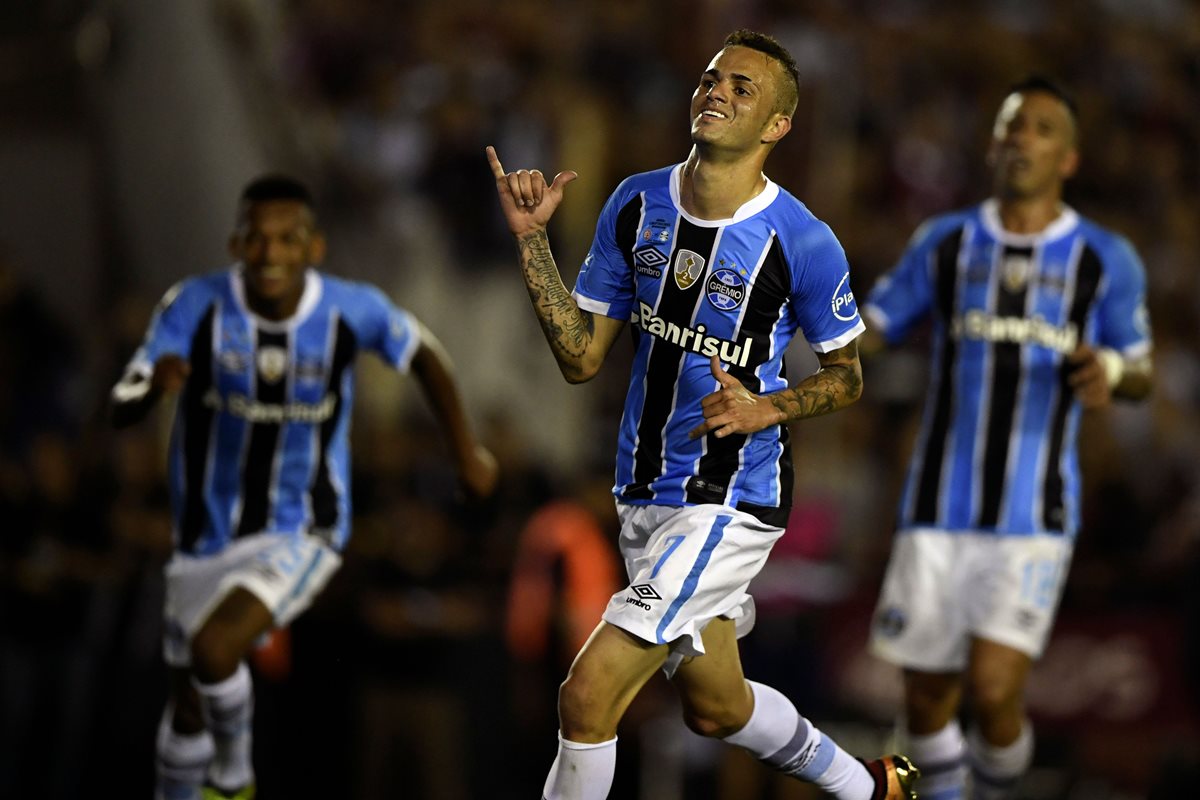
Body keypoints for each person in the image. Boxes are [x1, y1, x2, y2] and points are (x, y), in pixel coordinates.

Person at [488, 29, 918, 800]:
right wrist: (533, 245)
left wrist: (766, 407)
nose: (717, 91)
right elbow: (582, 358)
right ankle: (871, 790)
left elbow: (846, 376)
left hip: (728, 499)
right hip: (644, 491)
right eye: (712, 78)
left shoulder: (802, 241)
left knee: (586, 697)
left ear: (777, 126)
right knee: (717, 709)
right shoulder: (635, 201)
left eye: (742, 88)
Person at [110, 174, 498, 800]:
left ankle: (235, 775)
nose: (272, 254)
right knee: (185, 704)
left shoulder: (350, 309)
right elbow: (125, 398)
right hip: (208, 532)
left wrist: (466, 450)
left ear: (313, 248)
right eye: (258, 239)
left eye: (287, 239)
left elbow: (424, 352)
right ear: (238, 244)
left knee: (214, 651)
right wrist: (151, 386)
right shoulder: (195, 305)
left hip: (301, 525)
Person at [864, 76, 1154, 799]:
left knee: (993, 690)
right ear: (994, 144)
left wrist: (1112, 369)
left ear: (1069, 158)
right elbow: (874, 326)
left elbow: (1142, 368)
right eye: (1012, 125)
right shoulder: (947, 242)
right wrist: (811, 323)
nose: (1023, 137)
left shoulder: (1103, 258)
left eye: (1042, 128)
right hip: (935, 507)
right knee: (925, 701)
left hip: (1034, 515)